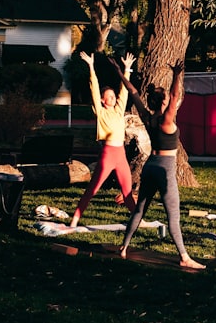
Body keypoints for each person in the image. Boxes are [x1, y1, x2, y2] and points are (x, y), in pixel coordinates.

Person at [110, 58, 205, 270]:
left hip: (149, 166)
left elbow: (133, 92)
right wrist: (177, 74)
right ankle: (184, 256)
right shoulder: (166, 120)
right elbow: (174, 96)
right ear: (162, 102)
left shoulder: (147, 117)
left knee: (139, 210)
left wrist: (119, 72)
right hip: (164, 169)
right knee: (173, 216)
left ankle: (123, 248)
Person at [69, 51, 138, 228]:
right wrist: (91, 67)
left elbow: (125, 91)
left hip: (120, 154)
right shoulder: (100, 112)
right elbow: (94, 88)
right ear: (102, 100)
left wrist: (127, 69)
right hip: (108, 154)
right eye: (109, 96)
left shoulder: (119, 109)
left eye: (113, 96)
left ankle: (138, 219)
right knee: (93, 188)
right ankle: (75, 219)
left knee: (127, 191)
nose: (113, 98)